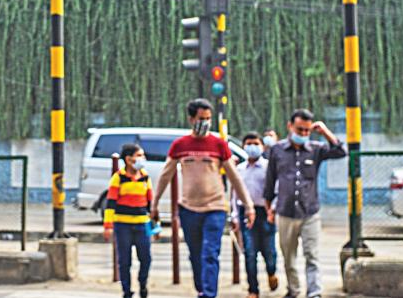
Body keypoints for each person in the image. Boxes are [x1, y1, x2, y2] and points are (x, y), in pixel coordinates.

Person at [152, 98, 255, 298]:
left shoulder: (219, 145)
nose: (205, 122)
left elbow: (234, 177)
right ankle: (202, 288)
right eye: (201, 118)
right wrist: (154, 205)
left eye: (208, 118)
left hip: (215, 208)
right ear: (191, 119)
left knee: (210, 253)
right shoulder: (180, 145)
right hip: (188, 209)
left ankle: (209, 293)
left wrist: (248, 206)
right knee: (196, 255)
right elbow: (166, 175)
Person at [264, 109, 346, 298]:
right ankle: (293, 290)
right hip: (285, 212)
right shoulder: (277, 150)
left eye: (307, 131)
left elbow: (341, 151)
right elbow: (270, 181)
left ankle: (314, 293)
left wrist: (325, 131)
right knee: (289, 257)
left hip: (310, 212)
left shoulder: (316, 149)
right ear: (290, 126)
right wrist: (269, 208)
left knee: (312, 256)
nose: (303, 134)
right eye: (299, 130)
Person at [104, 144, 153, 298]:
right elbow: (110, 203)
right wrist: (108, 225)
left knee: (146, 258)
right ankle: (127, 291)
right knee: (124, 261)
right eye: (139, 155)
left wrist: (154, 225)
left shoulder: (145, 177)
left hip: (142, 224)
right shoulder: (118, 178)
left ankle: (143, 284)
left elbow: (150, 204)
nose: (142, 159)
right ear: (128, 159)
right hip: (122, 225)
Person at [233, 132, 278, 298]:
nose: (252, 147)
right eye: (249, 143)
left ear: (262, 146)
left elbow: (275, 190)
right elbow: (235, 194)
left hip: (264, 212)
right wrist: (235, 216)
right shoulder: (239, 169)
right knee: (249, 253)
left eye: (256, 143)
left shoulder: (268, 168)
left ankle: (272, 273)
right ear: (244, 146)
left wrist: (272, 209)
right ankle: (253, 289)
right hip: (245, 212)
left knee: (269, 252)